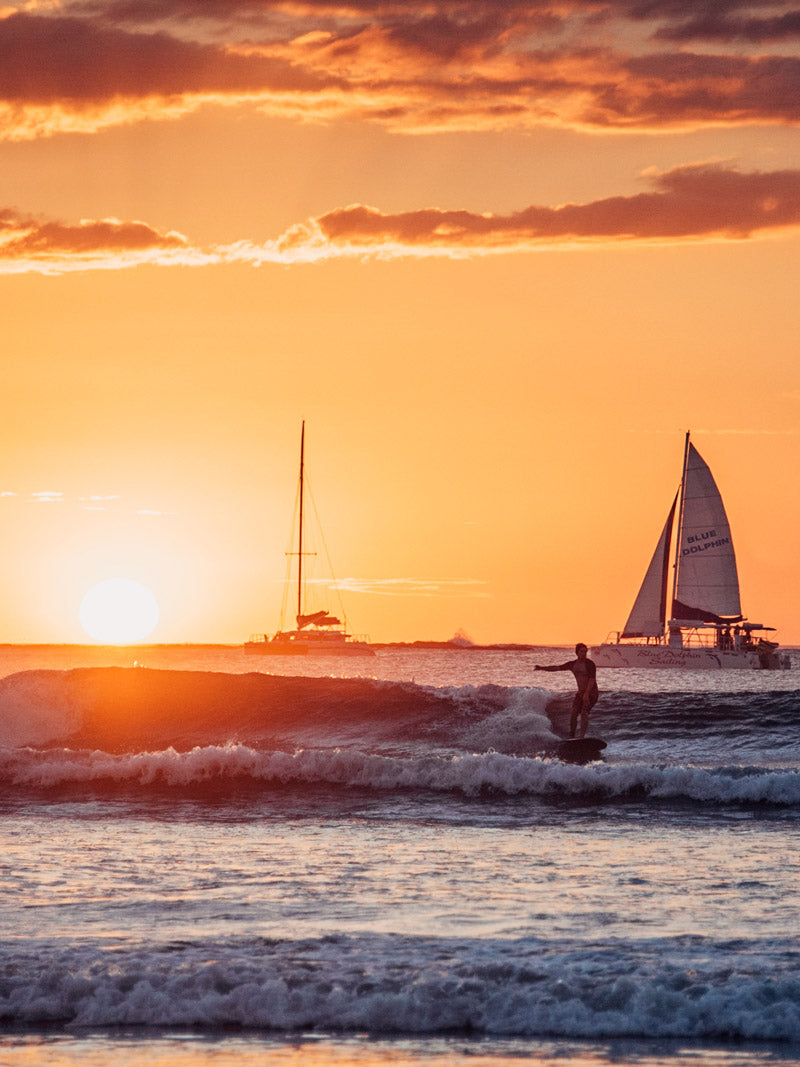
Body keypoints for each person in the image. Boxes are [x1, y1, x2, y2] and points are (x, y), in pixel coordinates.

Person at [534, 643, 599, 739]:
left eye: (585, 652)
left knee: (584, 713)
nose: (584, 653)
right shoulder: (572, 664)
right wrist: (542, 668)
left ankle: (582, 737)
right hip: (581, 693)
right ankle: (572, 736)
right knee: (573, 713)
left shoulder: (590, 664)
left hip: (592, 693)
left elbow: (591, 680)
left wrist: (586, 694)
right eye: (582, 651)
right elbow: (557, 668)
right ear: (577, 652)